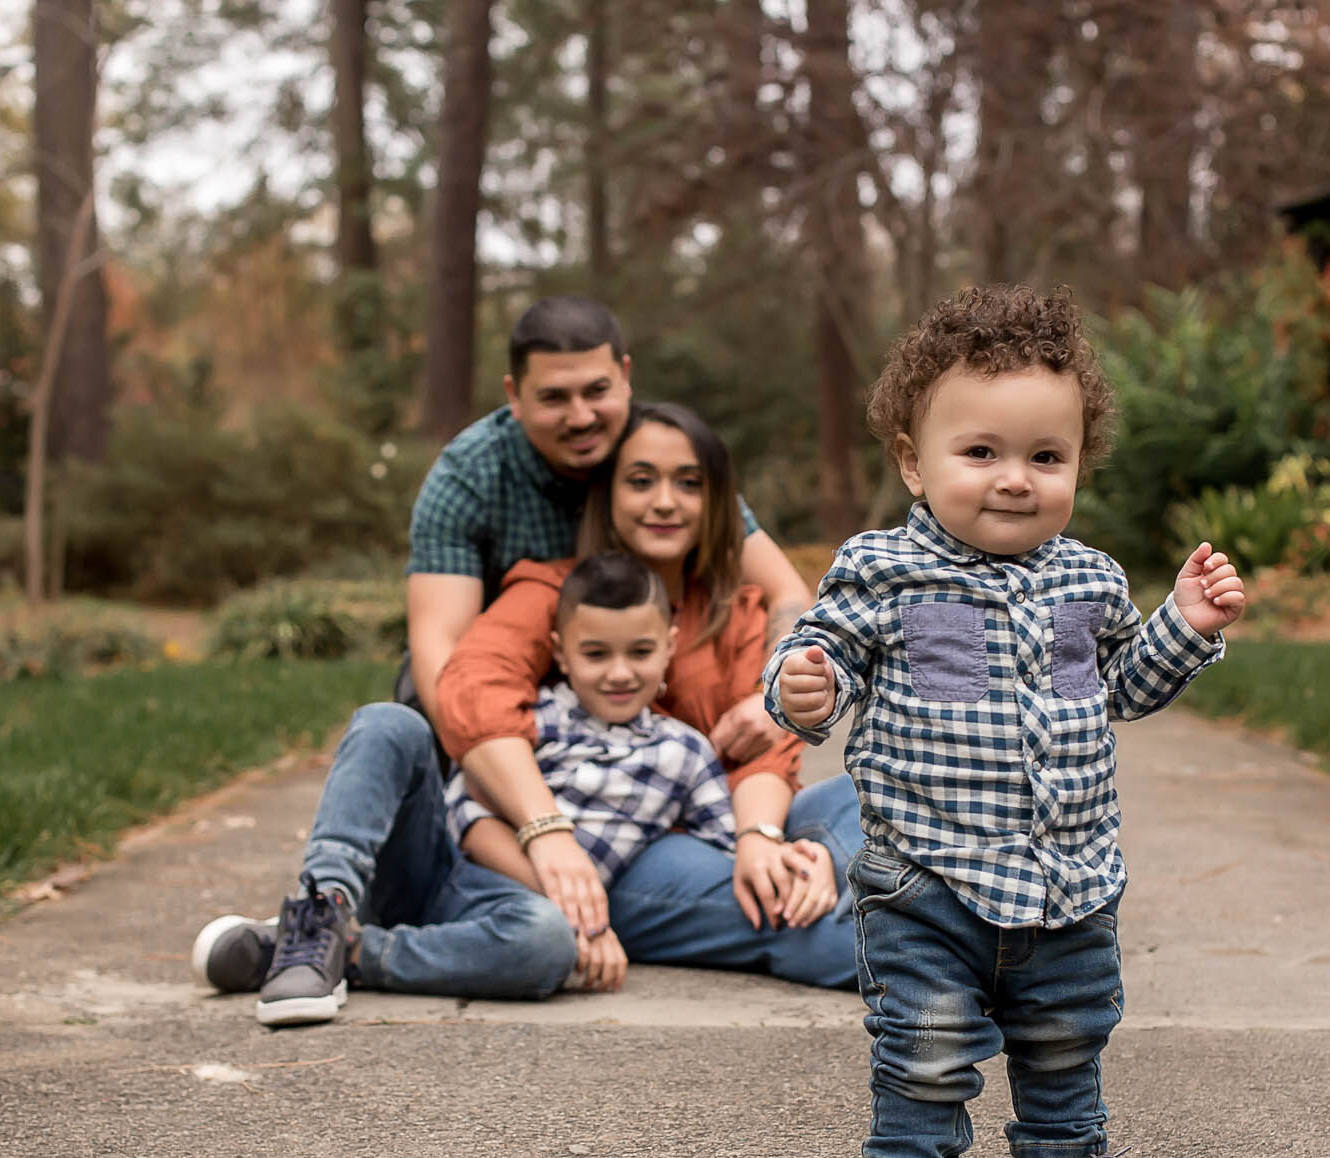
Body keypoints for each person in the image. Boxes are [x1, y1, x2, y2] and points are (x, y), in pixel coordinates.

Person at [764, 284, 1248, 1158]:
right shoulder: (880, 570)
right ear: (912, 460)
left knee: (1065, 1041)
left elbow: (1123, 687)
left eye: (1045, 456)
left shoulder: (1089, 579)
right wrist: (803, 684)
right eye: (979, 453)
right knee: (924, 1050)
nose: (1015, 480)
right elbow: (826, 661)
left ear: (1077, 463)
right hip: (925, 882)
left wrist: (1184, 625)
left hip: (1066, 880)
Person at [188, 552, 750, 1021]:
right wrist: (581, 910)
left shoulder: (685, 751)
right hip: (435, 872)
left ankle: (345, 954)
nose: (620, 672)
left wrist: (771, 847)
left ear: (670, 645)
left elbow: (719, 850)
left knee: (546, 945)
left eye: (640, 652)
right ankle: (321, 911)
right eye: (596, 654)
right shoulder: (532, 717)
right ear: (559, 652)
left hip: (514, 917)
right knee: (390, 723)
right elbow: (463, 809)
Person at [436, 401, 861, 989]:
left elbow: (766, 753)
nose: (665, 502)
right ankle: (939, 961)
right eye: (641, 482)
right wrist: (547, 831)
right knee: (793, 913)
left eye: (689, 484)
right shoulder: (558, 592)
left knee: (876, 792)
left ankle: (847, 880)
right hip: (636, 841)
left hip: (736, 813)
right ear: (607, 492)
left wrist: (766, 840)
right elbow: (473, 695)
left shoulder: (735, 610)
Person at [404, 296, 810, 767]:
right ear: (514, 395)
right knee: (419, 706)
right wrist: (490, 763)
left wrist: (769, 699)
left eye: (596, 391)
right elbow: (440, 647)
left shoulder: (661, 454)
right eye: (554, 397)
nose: (580, 418)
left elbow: (785, 590)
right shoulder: (468, 477)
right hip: (506, 668)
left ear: (625, 376)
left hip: (627, 670)